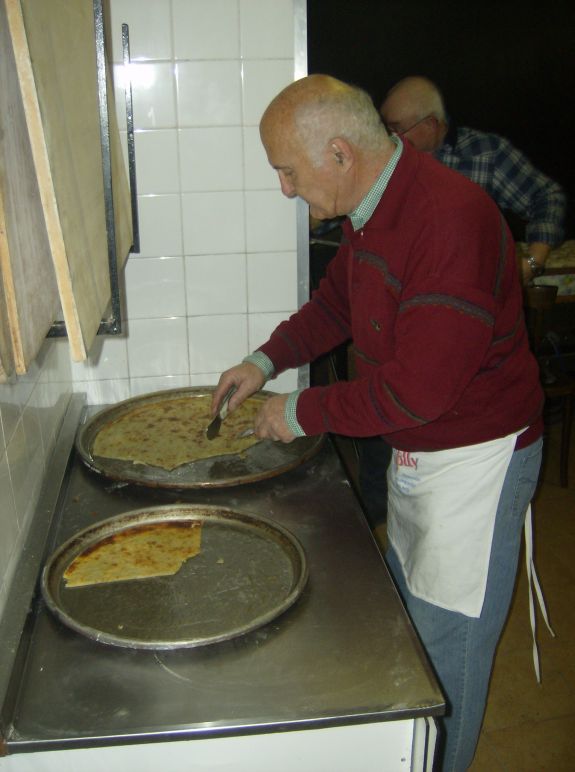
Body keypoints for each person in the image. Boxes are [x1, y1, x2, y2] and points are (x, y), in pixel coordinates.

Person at [211, 74, 543, 771]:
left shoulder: (449, 217)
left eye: (287, 171)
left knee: (445, 655)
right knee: (411, 635)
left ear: (336, 152)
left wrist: (298, 412)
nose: (285, 189)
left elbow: (417, 392)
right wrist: (262, 361)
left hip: (476, 459)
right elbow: (333, 310)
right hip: (424, 452)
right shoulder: (371, 210)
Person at [380, 75, 567, 284]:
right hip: (403, 286)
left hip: (472, 288)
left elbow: (546, 196)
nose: (391, 138)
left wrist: (533, 261)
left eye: (397, 129)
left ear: (431, 124)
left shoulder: (487, 153)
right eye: (388, 129)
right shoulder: (386, 158)